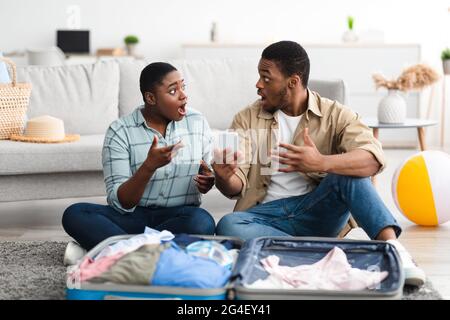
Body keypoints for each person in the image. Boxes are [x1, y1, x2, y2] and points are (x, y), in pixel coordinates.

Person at [213, 41, 425, 286]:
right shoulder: (247, 118)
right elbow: (234, 186)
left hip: (316, 211)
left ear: (292, 81)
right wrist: (224, 176)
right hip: (266, 217)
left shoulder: (335, 114)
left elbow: (373, 158)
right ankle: (328, 253)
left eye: (266, 77)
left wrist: (321, 162)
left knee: (347, 174)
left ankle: (395, 250)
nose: (258, 85)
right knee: (229, 223)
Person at [62, 62, 216, 261]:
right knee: (75, 214)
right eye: (172, 90)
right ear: (150, 98)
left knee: (202, 223)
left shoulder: (197, 121)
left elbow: (208, 168)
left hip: (179, 216)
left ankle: (113, 250)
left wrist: (209, 178)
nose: (183, 95)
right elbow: (122, 202)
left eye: (183, 87)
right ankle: (149, 253)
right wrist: (148, 167)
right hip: (130, 217)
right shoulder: (120, 131)